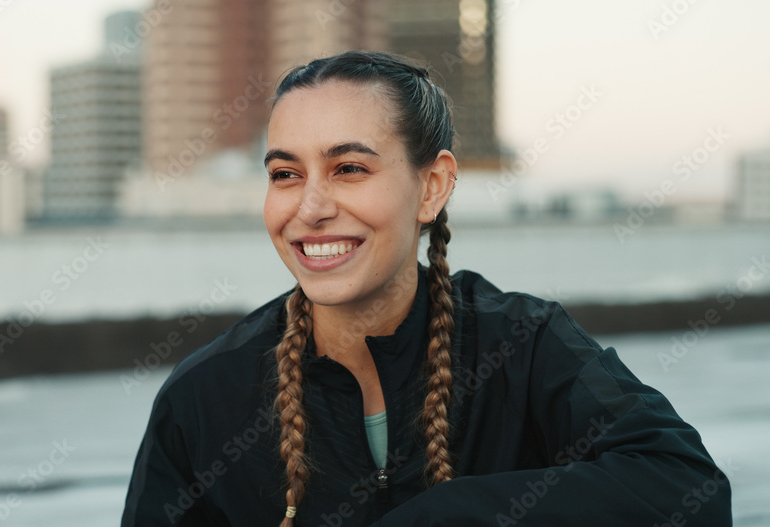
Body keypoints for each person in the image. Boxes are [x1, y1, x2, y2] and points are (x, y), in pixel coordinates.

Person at [121, 51, 731, 526]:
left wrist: (448, 515)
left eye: (349, 168)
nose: (309, 207)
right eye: (285, 174)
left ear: (433, 186)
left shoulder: (522, 344)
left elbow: (685, 489)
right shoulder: (203, 399)